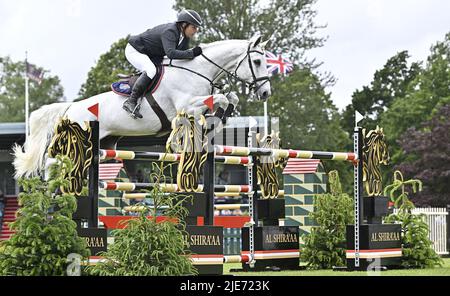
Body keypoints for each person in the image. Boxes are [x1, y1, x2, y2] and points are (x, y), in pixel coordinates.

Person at [123, 9, 204, 119]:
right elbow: (171, 53)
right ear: (184, 25)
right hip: (136, 50)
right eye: (194, 27)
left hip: (152, 54)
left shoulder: (184, 38)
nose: (196, 30)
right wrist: (192, 53)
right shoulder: (170, 31)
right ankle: (131, 101)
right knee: (151, 70)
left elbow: (181, 57)